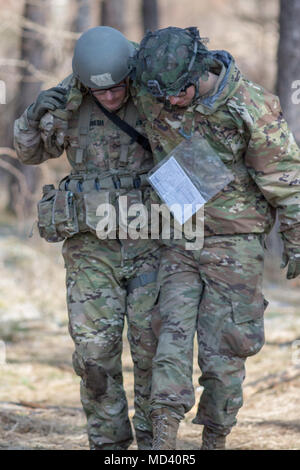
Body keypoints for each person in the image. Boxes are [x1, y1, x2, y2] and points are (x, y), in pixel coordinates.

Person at [129, 26, 300, 450]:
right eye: (162, 95)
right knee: (167, 335)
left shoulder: (252, 107)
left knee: (226, 350)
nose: (170, 102)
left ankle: (215, 438)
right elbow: (101, 77)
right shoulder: (154, 84)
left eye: (179, 93)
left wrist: (296, 242)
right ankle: (163, 442)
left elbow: (287, 182)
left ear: (200, 71)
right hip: (178, 237)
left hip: (234, 244)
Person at [13, 26, 161, 450]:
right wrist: (32, 114)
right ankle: (109, 446)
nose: (111, 98)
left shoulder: (154, 92)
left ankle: (157, 448)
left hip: (151, 242)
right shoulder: (67, 99)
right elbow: (29, 151)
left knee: (153, 353)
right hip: (90, 248)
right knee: (94, 356)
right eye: (102, 92)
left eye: (117, 89)